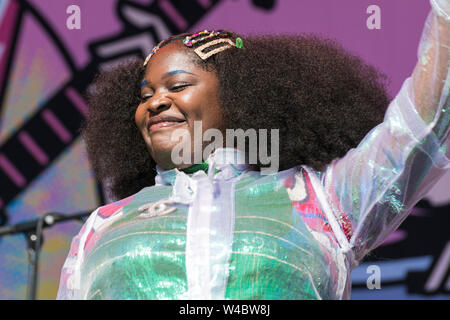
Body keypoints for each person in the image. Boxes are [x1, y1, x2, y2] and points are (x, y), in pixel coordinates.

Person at [57, 0, 449, 300]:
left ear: (238, 99)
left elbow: (421, 123)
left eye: (176, 87)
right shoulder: (103, 225)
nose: (155, 103)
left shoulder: (323, 203)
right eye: (145, 96)